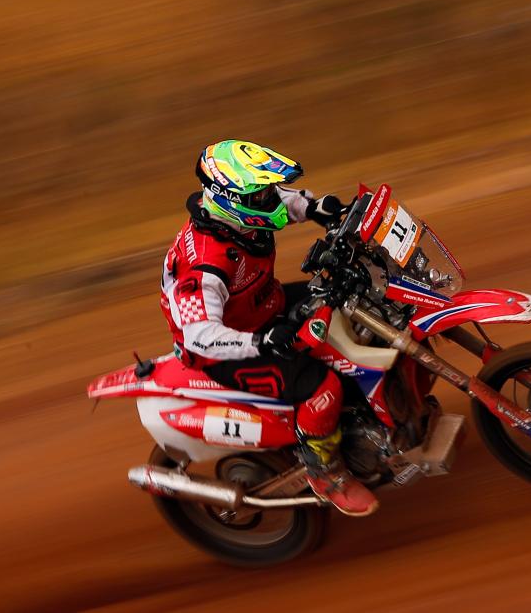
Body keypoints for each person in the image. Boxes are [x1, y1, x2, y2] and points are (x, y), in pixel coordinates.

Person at [160, 139, 378, 517]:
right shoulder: (203, 267)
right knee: (322, 389)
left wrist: (314, 208)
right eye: (260, 194)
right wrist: (262, 340)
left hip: (264, 307)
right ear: (231, 199)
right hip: (227, 350)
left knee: (352, 301)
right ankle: (325, 471)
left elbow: (279, 201)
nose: (270, 198)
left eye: (266, 191)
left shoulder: (235, 216)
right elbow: (200, 335)